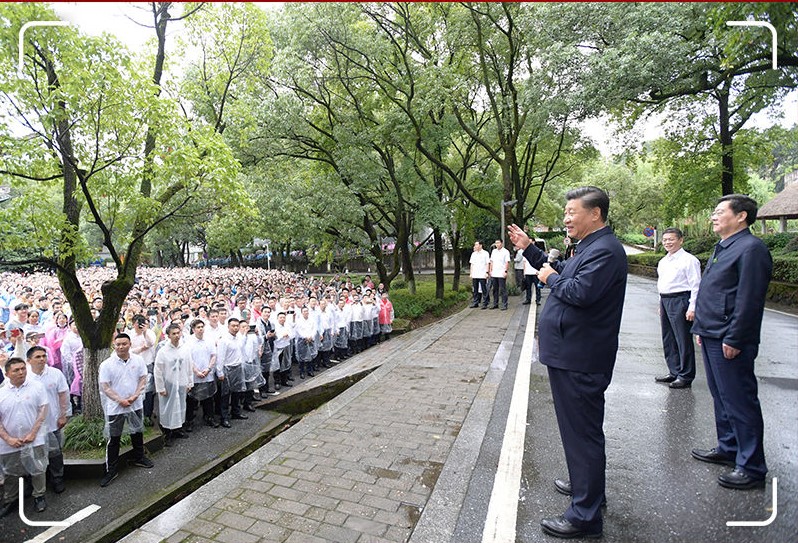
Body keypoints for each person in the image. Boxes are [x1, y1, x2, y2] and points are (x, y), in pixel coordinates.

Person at [508, 186, 627, 539]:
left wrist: (551, 279)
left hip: (581, 356)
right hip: (572, 352)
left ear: (595, 214)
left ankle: (585, 515)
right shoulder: (591, 247)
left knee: (582, 434)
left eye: (572, 212)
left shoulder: (605, 250)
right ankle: (586, 488)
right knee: (580, 432)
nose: (566, 218)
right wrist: (530, 248)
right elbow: (561, 268)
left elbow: (577, 291)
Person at [690, 194, 773, 490]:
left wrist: (736, 337)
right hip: (711, 333)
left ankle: (751, 466)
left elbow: (748, 300)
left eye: (719, 212)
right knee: (721, 396)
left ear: (741, 216)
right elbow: (714, 292)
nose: (713, 217)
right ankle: (729, 448)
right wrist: (701, 326)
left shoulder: (751, 249)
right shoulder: (723, 247)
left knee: (740, 400)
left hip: (730, 338)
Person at [98, 333, 154, 488]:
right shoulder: (107, 364)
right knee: (114, 438)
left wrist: (135, 396)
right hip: (116, 407)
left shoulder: (138, 360)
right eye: (118, 344)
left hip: (135, 404)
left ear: (130, 344)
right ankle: (112, 470)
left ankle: (139, 457)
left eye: (124, 344)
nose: (121, 347)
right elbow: (105, 386)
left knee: (137, 432)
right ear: (114, 346)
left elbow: (143, 378)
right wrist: (120, 400)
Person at [0, 357, 49, 516]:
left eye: (23, 368)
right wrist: (8, 439)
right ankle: (10, 499)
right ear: (7, 374)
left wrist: (33, 433)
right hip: (8, 442)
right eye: (16, 370)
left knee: (38, 468)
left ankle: (39, 495)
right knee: (10, 472)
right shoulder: (1, 393)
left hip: (35, 438)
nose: (21, 372)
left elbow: (42, 412)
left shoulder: (37, 387)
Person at [655, 228, 701, 389]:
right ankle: (674, 371)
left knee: (683, 339)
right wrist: (660, 303)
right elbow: (662, 284)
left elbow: (696, 285)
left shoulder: (689, 260)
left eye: (671, 239)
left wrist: (692, 307)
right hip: (666, 300)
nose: (667, 242)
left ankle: (686, 375)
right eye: (665, 240)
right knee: (668, 338)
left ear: (681, 240)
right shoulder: (663, 261)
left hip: (681, 299)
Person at [27, 346, 70, 494]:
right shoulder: (25, 377)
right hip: (33, 426)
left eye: (44, 356)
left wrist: (63, 414)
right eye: (37, 357)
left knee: (55, 453)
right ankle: (37, 483)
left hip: (53, 421)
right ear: (29, 360)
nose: (42, 359)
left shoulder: (55, 373)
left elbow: (63, 395)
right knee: (36, 454)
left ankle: (57, 478)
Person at [153, 324, 192, 446]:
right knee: (167, 408)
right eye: (173, 334)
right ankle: (167, 432)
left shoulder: (185, 349)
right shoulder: (163, 351)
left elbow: (189, 366)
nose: (176, 336)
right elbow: (158, 370)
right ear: (168, 335)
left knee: (180, 406)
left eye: (178, 333)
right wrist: (160, 387)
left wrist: (190, 382)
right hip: (168, 384)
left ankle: (178, 429)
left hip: (181, 383)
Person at [185, 319, 219, 428]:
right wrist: (196, 371)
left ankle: (209, 417)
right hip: (194, 375)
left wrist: (208, 368)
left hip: (207, 373)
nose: (200, 329)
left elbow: (213, 355)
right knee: (192, 400)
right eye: (198, 327)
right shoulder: (188, 341)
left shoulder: (209, 340)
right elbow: (188, 358)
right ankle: (189, 421)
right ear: (193, 329)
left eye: (202, 327)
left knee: (208, 398)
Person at [488, 239, 511, 310]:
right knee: (495, 289)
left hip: (501, 273)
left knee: (502, 289)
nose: (497, 244)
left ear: (502, 243)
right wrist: (490, 270)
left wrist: (505, 271)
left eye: (498, 243)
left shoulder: (506, 252)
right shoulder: (494, 251)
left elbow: (507, 262)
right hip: (494, 273)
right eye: (496, 243)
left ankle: (504, 304)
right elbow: (491, 261)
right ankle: (495, 303)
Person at [469, 241, 490, 309]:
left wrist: (487, 272)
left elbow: (487, 263)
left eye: (476, 244)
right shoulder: (473, 254)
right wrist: (471, 273)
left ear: (480, 245)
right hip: (475, 274)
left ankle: (485, 302)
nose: (475, 246)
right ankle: (475, 302)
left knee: (484, 289)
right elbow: (472, 264)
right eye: (475, 244)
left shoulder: (485, 253)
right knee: (475, 289)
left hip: (482, 274)